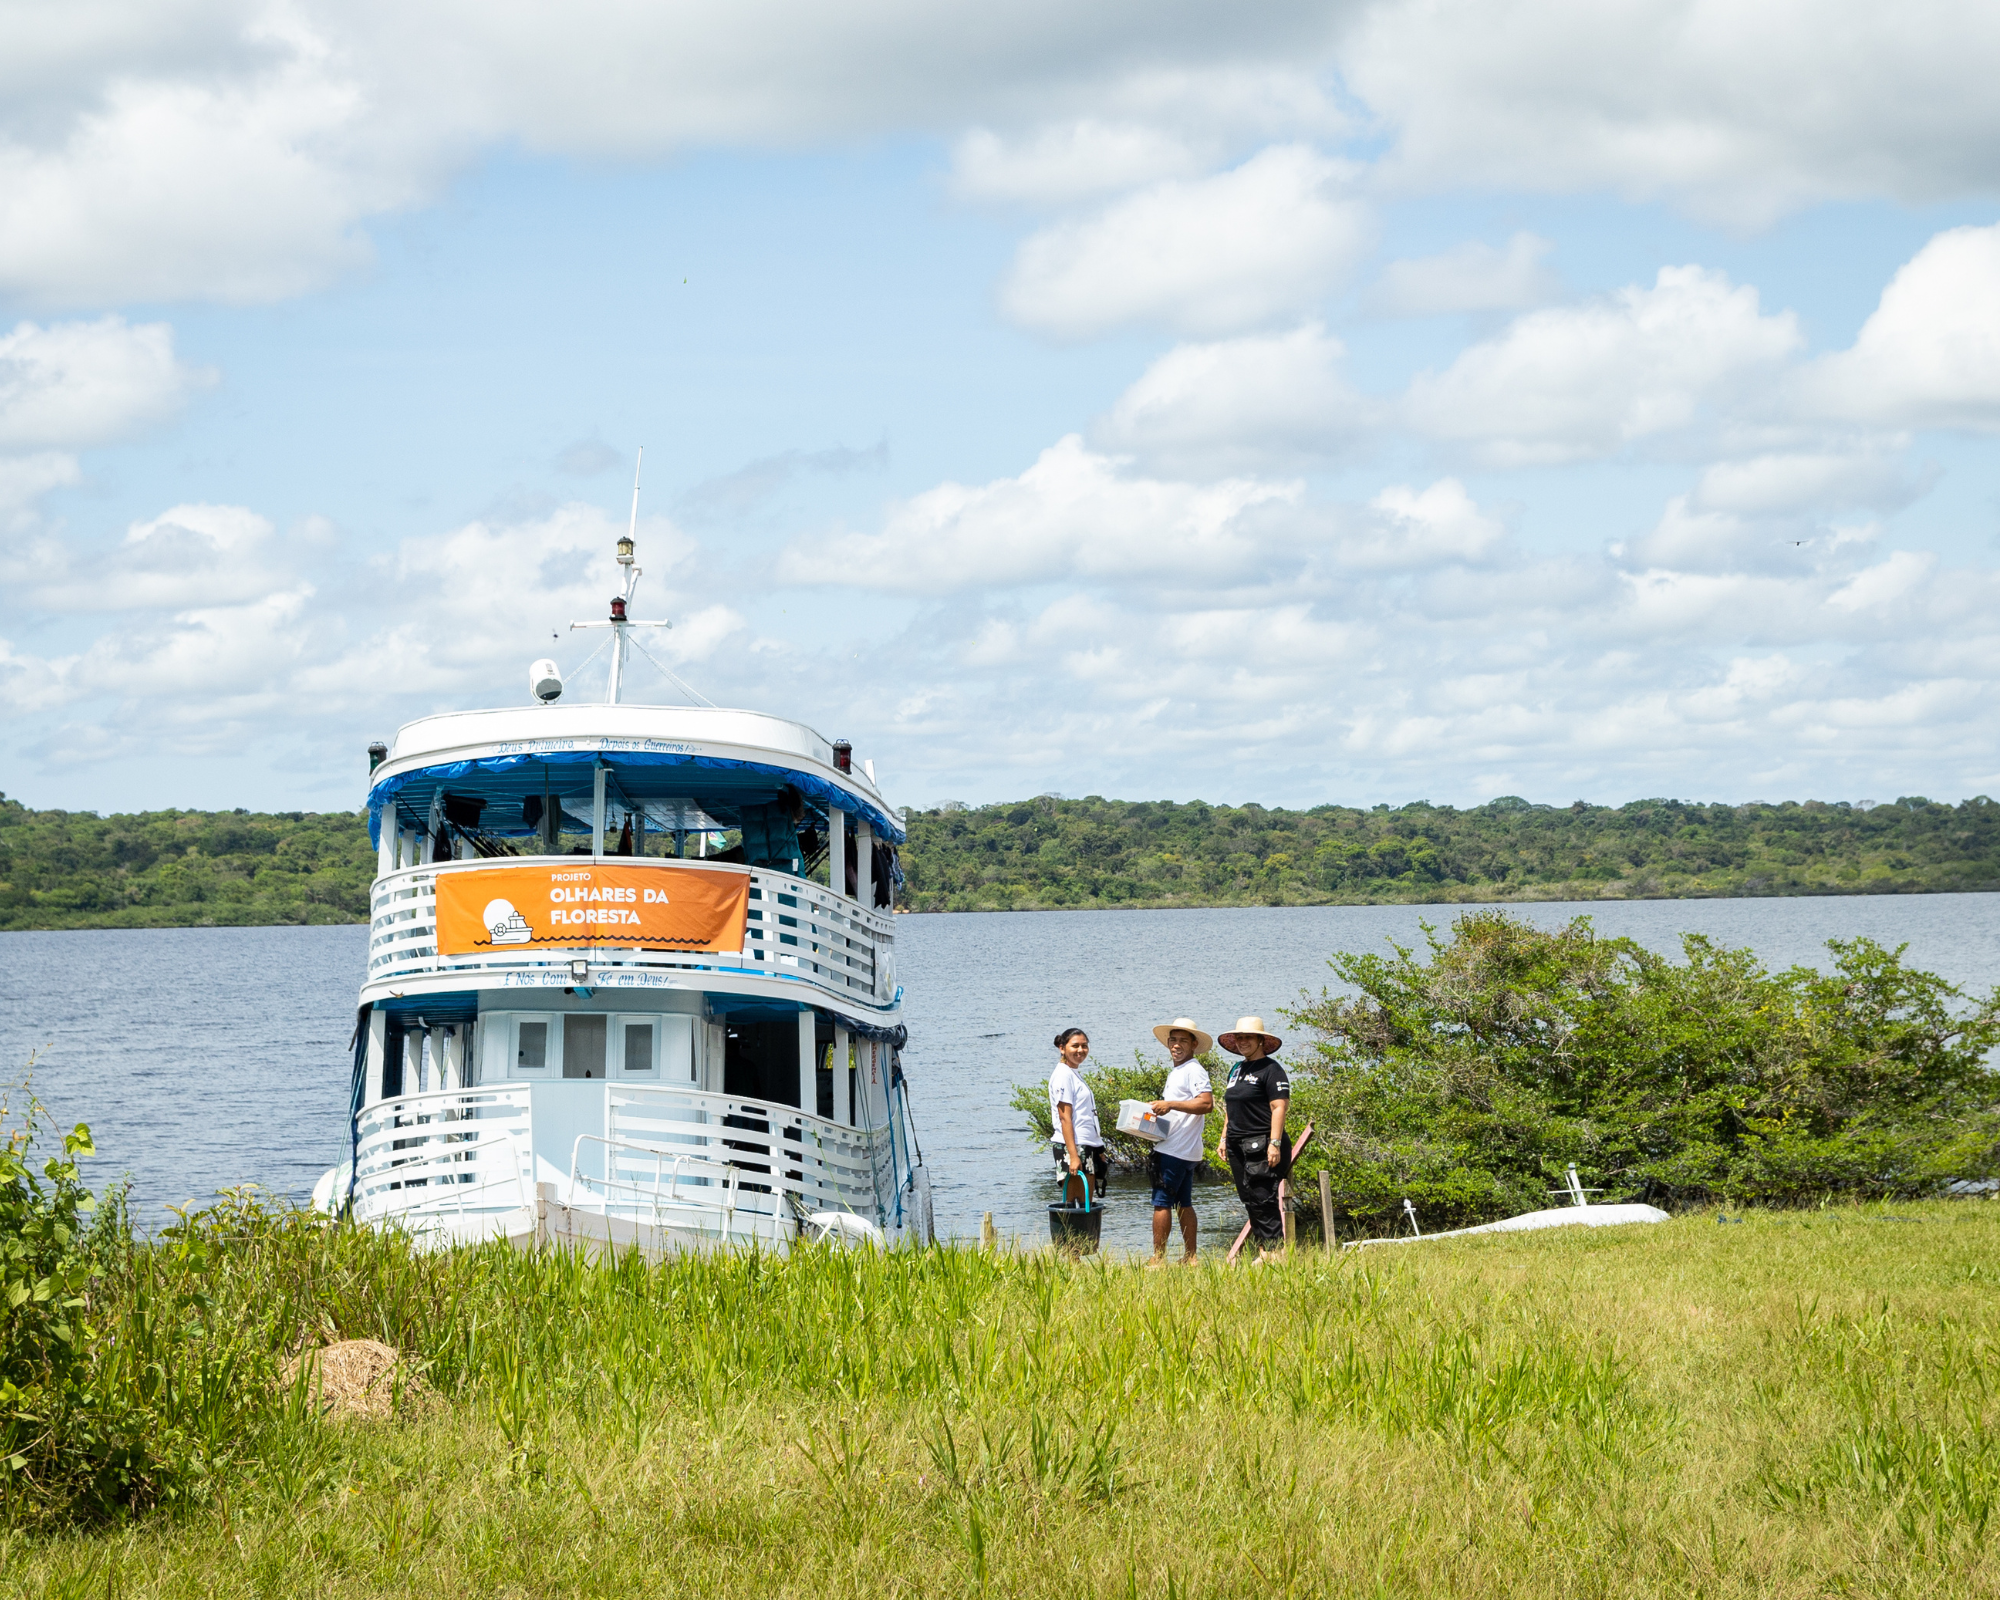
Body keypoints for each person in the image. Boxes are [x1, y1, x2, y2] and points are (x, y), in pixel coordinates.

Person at [1216, 1015, 1291, 1265]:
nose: (1242, 1041)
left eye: (1248, 1037)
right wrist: (1224, 1137)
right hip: (1237, 1144)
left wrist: (1275, 1142)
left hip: (1263, 1142)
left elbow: (1279, 1106)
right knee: (1248, 1197)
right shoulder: (1236, 1069)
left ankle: (1275, 1253)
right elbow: (1230, 1106)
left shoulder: (1271, 1069)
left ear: (1261, 1040)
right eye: (1239, 1037)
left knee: (1264, 1197)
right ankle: (1264, 1251)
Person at [1146, 1017, 1215, 1267]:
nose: (1176, 1045)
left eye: (1182, 1040)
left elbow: (1206, 1103)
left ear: (1194, 1044)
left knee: (1161, 1203)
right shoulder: (1178, 1071)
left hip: (1175, 1151)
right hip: (1185, 1150)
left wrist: (1170, 1104)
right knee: (1184, 1204)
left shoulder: (1193, 1069)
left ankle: (1158, 1258)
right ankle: (1191, 1257)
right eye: (1173, 1040)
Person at [1048, 1027, 1108, 1201]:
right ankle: (1071, 1230)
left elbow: (1085, 1115)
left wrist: (1098, 1147)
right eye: (1075, 1046)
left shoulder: (1072, 1073)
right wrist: (1073, 1156)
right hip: (1072, 1147)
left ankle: (1085, 1230)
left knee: (1085, 1203)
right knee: (1076, 1205)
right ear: (1062, 1047)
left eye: (1084, 1046)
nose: (1080, 1050)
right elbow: (1064, 1117)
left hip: (1085, 1145)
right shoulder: (1062, 1075)